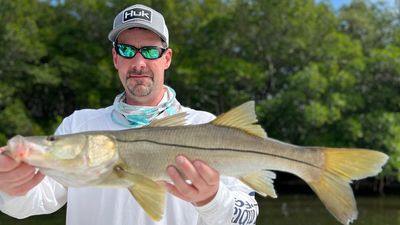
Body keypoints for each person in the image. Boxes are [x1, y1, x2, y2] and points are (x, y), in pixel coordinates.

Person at [0, 4, 259, 225]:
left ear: (167, 58)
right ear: (115, 58)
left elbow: (248, 214)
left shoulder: (206, 126)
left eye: (149, 50)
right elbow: (31, 203)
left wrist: (211, 199)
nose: (138, 63)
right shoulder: (78, 125)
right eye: (126, 50)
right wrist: (9, 187)